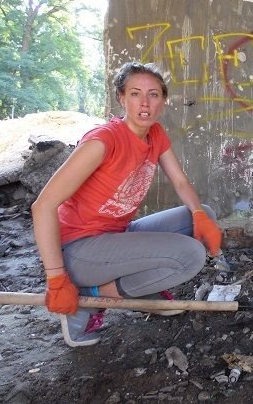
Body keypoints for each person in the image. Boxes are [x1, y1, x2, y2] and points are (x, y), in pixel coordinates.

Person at [32, 61, 223, 347]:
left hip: (116, 233)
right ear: (122, 98)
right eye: (135, 94)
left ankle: (141, 288)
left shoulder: (155, 134)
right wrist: (56, 279)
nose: (144, 103)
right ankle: (93, 296)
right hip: (78, 249)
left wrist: (199, 215)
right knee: (190, 256)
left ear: (163, 101)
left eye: (154, 94)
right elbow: (43, 206)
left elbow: (181, 183)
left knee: (200, 213)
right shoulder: (103, 141)